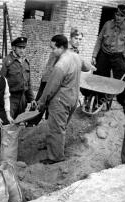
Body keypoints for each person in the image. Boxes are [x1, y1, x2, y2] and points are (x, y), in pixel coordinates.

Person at [37, 35, 91, 165]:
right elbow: (88, 67)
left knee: (56, 128)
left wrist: (42, 102)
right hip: (73, 98)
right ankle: (52, 146)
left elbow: (51, 87)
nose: (52, 51)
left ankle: (55, 157)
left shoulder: (60, 65)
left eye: (53, 48)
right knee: (60, 126)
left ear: (61, 47)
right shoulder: (75, 56)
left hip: (61, 100)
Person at [91, 4, 125, 107]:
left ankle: (123, 104)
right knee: (99, 77)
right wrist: (94, 56)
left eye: (122, 15)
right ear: (115, 14)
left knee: (120, 82)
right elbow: (99, 39)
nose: (119, 17)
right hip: (104, 55)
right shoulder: (107, 24)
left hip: (118, 57)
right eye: (117, 14)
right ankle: (99, 101)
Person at [0, 36, 36, 118]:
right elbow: (0, 82)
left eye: (23, 48)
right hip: (10, 98)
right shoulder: (6, 62)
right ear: (13, 48)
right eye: (20, 47)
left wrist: (32, 99)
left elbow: (28, 82)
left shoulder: (25, 62)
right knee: (8, 122)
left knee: (19, 122)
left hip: (22, 99)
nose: (22, 50)